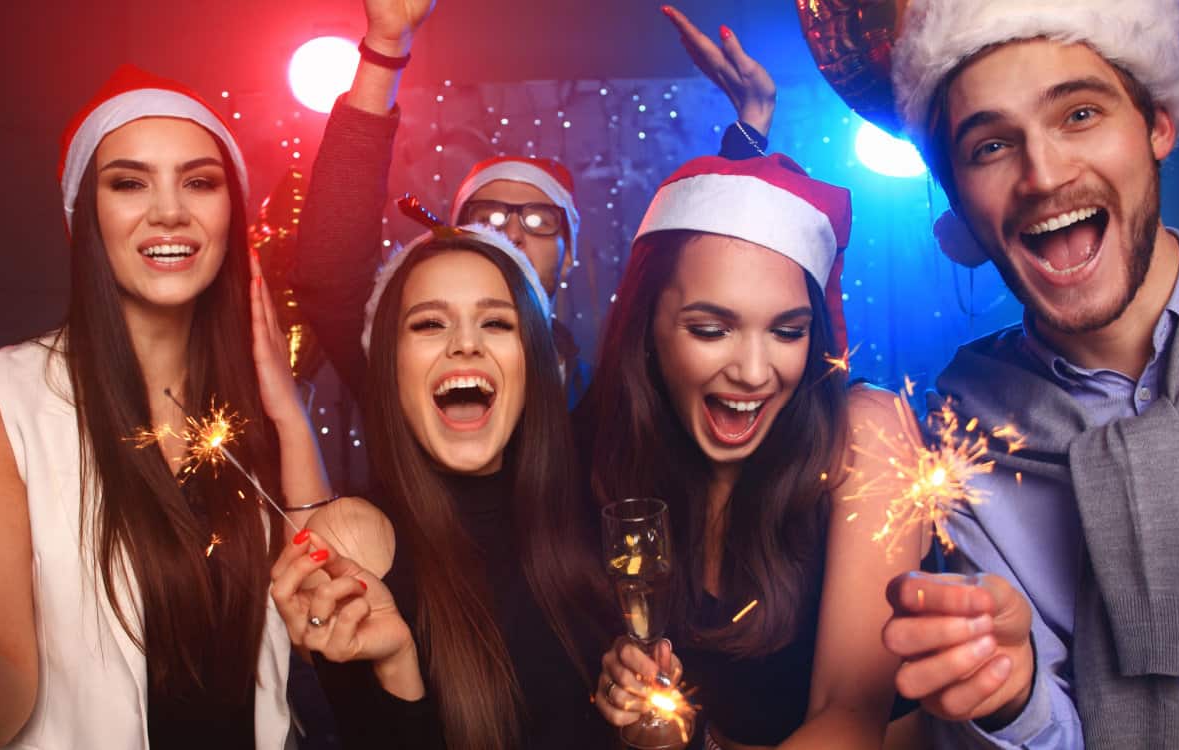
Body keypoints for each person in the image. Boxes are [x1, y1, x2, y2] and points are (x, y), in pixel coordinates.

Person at [0, 65, 333, 749]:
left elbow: (327, 638)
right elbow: (0, 715)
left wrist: (286, 416)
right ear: (84, 215)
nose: (169, 210)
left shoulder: (258, 414)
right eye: (129, 182)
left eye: (199, 181)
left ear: (233, 214)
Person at [876, 1, 1179, 748]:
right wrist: (1014, 696)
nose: (1043, 174)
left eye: (1079, 114)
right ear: (961, 206)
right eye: (992, 146)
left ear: (1157, 124)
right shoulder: (965, 434)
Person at [581, 153, 924, 750]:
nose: (753, 372)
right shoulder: (618, 456)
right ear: (647, 331)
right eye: (711, 331)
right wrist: (648, 721)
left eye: (787, 332)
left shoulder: (865, 432)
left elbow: (849, 714)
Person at [281, 1, 779, 408]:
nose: (513, 234)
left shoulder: (610, 403)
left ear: (570, 254)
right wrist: (386, 49)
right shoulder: (402, 369)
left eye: (540, 220)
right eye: (490, 219)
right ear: (453, 242)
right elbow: (331, 275)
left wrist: (749, 132)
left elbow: (706, 285)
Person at [269, 225, 612, 750]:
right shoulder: (357, 542)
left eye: (496, 322)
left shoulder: (594, 514)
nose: (466, 344)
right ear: (390, 367)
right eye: (430, 323)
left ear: (535, 362)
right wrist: (397, 668)